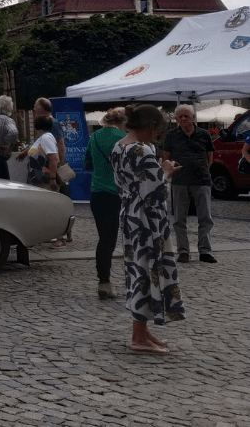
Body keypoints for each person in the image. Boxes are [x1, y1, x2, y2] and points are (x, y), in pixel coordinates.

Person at [110, 104, 183, 354]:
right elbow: (156, 191)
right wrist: (166, 172)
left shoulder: (119, 146)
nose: (158, 135)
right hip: (147, 219)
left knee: (137, 269)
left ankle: (141, 330)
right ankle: (138, 337)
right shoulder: (141, 150)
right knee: (147, 271)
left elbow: (126, 183)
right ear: (151, 126)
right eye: (157, 129)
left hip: (129, 212)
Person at [162, 104, 216, 264]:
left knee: (205, 217)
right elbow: (166, 157)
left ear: (193, 117)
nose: (184, 119)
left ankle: (205, 251)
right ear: (176, 119)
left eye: (186, 115)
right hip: (180, 181)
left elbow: (210, 157)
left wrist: (202, 169)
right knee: (179, 218)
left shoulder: (204, 134)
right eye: (180, 117)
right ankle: (183, 251)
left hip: (202, 180)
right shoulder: (171, 135)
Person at [85, 107, 128, 299]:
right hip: (120, 193)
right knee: (130, 238)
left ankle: (104, 282)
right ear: (123, 121)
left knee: (105, 240)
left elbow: (87, 164)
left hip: (98, 193)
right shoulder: (124, 137)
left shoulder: (94, 137)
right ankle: (135, 281)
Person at [26, 116, 60, 191]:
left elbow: (54, 158)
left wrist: (52, 178)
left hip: (44, 181)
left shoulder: (46, 137)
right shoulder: (43, 138)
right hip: (38, 181)